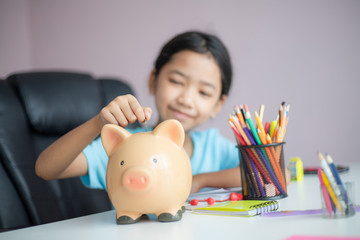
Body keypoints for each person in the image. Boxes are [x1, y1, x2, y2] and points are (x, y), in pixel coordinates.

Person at [35, 31, 241, 193]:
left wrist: (199, 180)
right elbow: (46, 169)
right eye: (176, 81)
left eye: (204, 92)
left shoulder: (214, 147)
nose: (186, 99)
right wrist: (98, 123)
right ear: (153, 80)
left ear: (218, 105)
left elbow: (263, 172)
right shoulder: (123, 146)